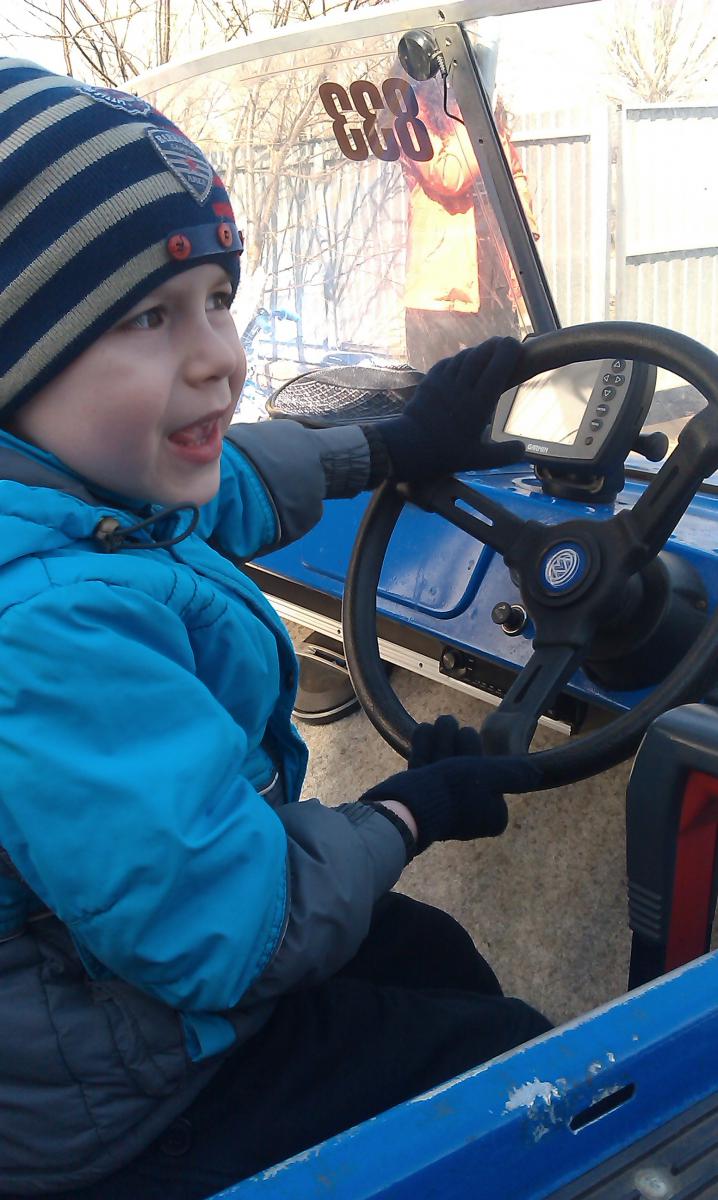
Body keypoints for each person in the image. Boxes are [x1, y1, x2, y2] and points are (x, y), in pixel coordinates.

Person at [0, 58, 551, 1200]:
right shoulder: (45, 628)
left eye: (217, 299)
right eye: (149, 316)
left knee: (431, 955)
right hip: (124, 1105)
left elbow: (221, 490)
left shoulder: (69, 499)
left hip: (121, 998)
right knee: (523, 1087)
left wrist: (390, 446)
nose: (220, 355)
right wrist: (406, 813)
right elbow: (224, 935)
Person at [402, 78, 541, 372]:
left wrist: (525, 233)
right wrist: (475, 119)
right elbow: (448, 175)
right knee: (441, 390)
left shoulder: (483, 117)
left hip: (493, 284)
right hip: (442, 295)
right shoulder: (415, 116)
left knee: (504, 383)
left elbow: (513, 173)